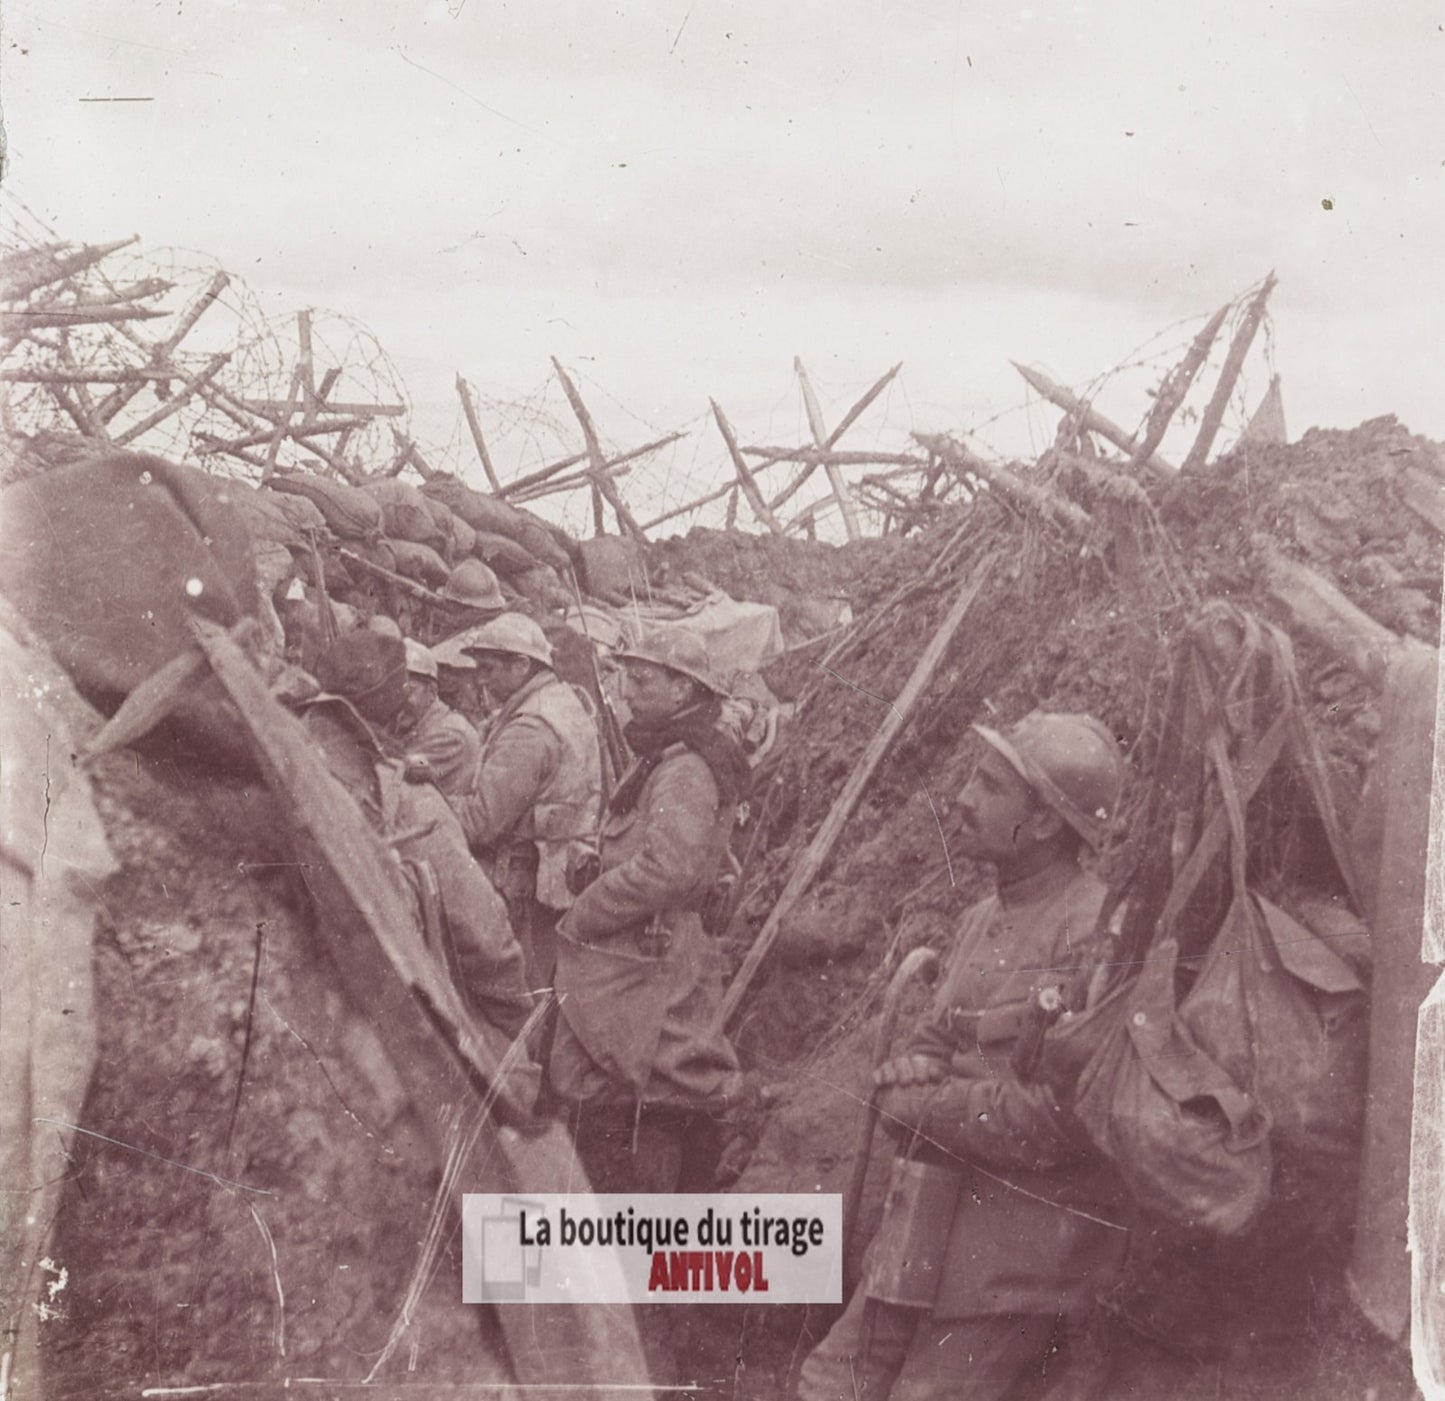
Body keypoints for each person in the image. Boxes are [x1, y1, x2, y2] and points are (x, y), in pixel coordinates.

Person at [798, 710, 1129, 1401]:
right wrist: (910, 1069)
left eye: (988, 784)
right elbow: (936, 1037)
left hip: (1018, 1256)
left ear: (1043, 822)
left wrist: (925, 1103)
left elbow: (1063, 1117)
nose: (962, 799)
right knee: (827, 1381)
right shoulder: (982, 918)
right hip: (925, 1224)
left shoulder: (1095, 933)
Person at [547, 627, 750, 1194]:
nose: (627, 690)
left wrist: (587, 909)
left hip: (648, 963)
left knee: (644, 1088)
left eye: (642, 679)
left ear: (683, 689)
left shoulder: (684, 769)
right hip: (645, 954)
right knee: (639, 1085)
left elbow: (669, 869)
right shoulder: (667, 756)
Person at [310, 630, 534, 1045]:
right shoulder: (406, 792)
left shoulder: (299, 745)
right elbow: (482, 934)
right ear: (396, 697)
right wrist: (521, 1026)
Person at [444, 613, 603, 992]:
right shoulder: (561, 700)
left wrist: (430, 802)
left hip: (527, 880)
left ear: (522, 665)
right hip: (559, 871)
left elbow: (480, 822)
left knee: (521, 984)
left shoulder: (530, 730)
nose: (480, 679)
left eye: (488, 669)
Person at [390, 638, 480, 797]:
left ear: (432, 692)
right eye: (394, 692)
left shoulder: (449, 734)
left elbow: (404, 769)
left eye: (409, 691)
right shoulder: (420, 723)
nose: (399, 701)